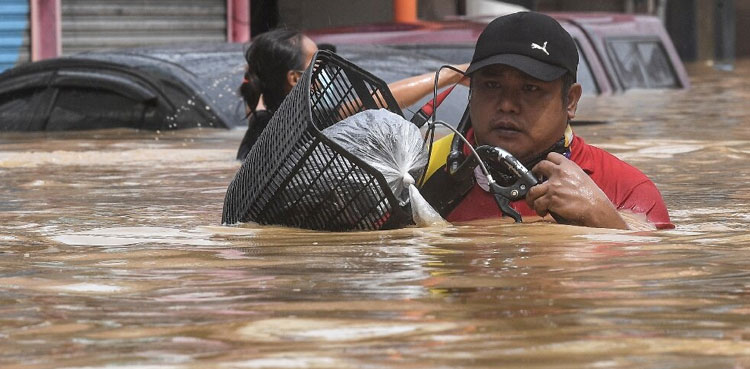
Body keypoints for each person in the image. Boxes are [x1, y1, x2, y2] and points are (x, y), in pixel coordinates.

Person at [419, 11, 673, 230]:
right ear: (471, 90)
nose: (507, 104)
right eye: (492, 85)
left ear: (571, 101)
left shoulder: (625, 189)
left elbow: (648, 266)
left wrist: (602, 218)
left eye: (530, 89)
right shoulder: (420, 168)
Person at [236, 28, 467, 160]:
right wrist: (449, 75)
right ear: (295, 78)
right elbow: (376, 100)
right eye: (317, 60)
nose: (325, 66)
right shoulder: (304, 124)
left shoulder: (261, 122)